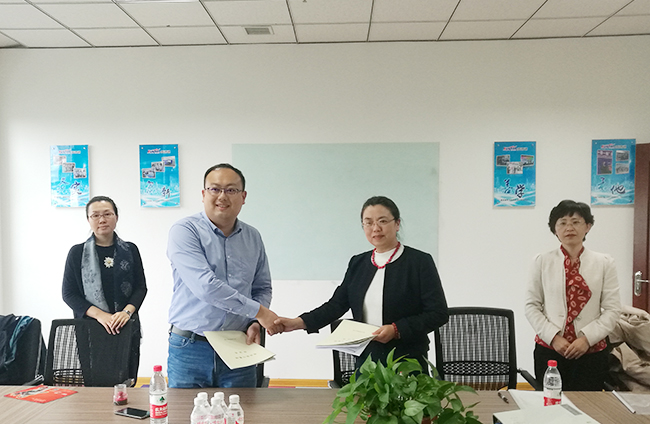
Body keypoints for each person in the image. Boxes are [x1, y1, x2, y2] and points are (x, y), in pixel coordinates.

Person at [275, 196, 448, 372]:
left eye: (382, 221)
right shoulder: (358, 263)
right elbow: (336, 305)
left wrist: (396, 329)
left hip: (407, 359)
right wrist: (298, 322)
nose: (376, 228)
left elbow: (438, 313)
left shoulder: (419, 262)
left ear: (397, 224)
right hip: (367, 360)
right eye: (368, 223)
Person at [166, 163, 280, 388]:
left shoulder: (253, 237)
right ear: (203, 194)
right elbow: (206, 287)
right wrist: (260, 312)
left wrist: (254, 321)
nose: (222, 196)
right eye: (215, 189)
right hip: (191, 347)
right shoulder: (184, 231)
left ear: (243, 197)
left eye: (231, 190)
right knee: (186, 409)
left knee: (241, 408)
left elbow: (262, 287)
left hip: (239, 346)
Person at [525, 199, 621, 391]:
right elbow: (531, 306)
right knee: (551, 403)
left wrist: (586, 339)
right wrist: (554, 338)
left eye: (576, 222)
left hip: (591, 351)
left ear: (588, 227)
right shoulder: (541, 261)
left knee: (588, 405)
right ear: (555, 229)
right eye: (562, 223)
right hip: (550, 349)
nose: (569, 227)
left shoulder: (604, 262)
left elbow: (612, 309)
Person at [62, 196, 147, 383]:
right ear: (88, 220)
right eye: (95, 215)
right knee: (95, 383)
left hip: (125, 325)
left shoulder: (130, 250)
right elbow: (69, 294)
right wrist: (101, 316)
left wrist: (126, 313)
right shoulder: (77, 253)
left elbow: (140, 288)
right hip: (91, 328)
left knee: (126, 381)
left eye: (107, 214)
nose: (102, 219)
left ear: (116, 217)